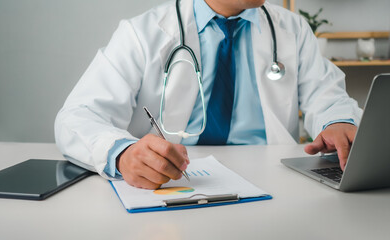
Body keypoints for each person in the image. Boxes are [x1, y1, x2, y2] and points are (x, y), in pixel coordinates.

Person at [54, 0, 362, 190]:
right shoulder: (142, 33)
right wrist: (121, 153)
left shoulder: (292, 29)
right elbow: (77, 117)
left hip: (274, 182)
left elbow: (328, 95)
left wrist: (337, 120)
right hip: (176, 181)